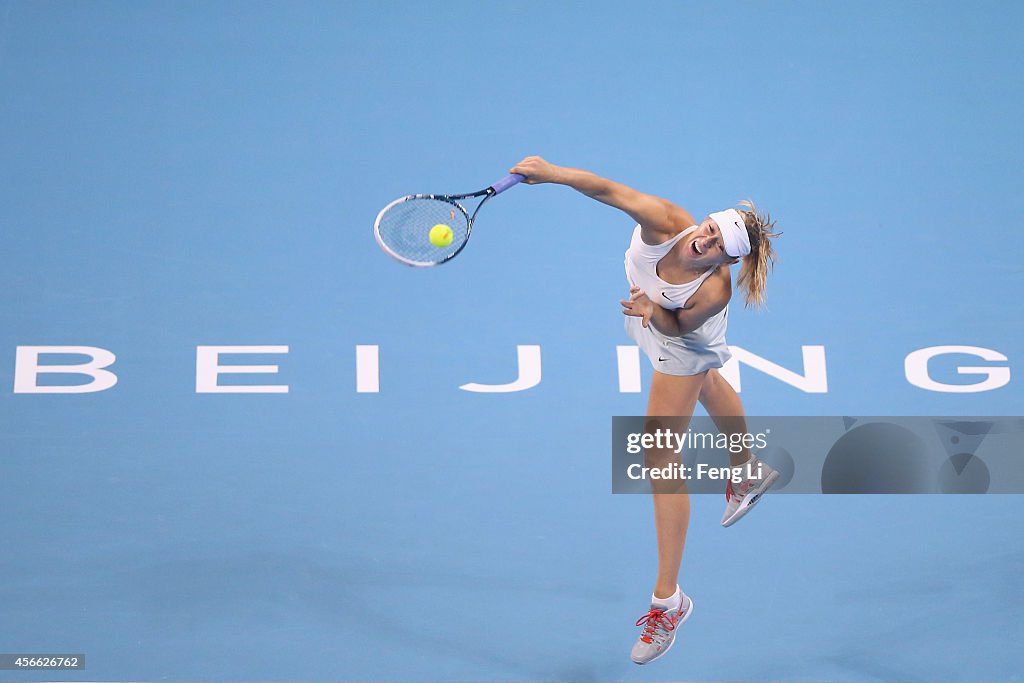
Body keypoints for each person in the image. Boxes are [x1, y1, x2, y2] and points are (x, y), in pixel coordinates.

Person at [509, 156, 782, 665]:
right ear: (703, 220)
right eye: (710, 229)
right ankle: (746, 471)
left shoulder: (715, 289)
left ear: (728, 259)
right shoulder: (667, 220)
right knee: (711, 379)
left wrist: (656, 313)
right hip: (662, 325)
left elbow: (681, 331)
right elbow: (608, 190)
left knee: (660, 459)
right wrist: (553, 173)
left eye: (721, 246)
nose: (707, 242)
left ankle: (668, 601)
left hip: (676, 341)